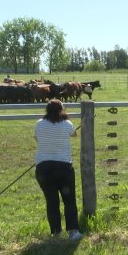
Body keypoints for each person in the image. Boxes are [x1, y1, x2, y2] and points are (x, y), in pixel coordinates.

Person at [34, 99, 82, 240]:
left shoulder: (39, 124)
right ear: (61, 110)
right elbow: (74, 134)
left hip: (43, 168)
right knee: (69, 200)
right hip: (63, 167)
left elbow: (38, 139)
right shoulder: (67, 124)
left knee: (52, 201)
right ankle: (73, 231)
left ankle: (56, 232)